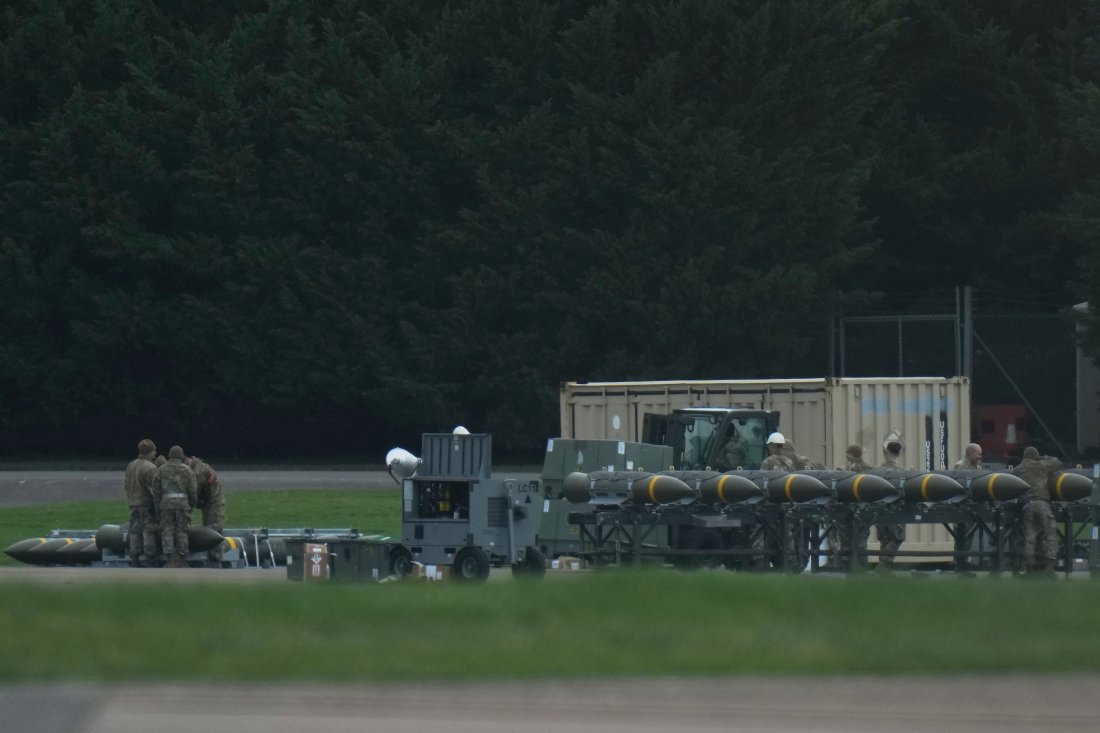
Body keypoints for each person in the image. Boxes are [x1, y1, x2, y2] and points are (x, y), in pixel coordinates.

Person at [1012, 446, 1062, 577]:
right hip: (1042, 504)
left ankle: (1029, 569)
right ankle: (1049, 568)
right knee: (1050, 535)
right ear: (1036, 456)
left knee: (1030, 537)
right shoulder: (1041, 465)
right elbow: (1058, 463)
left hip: (1027, 506)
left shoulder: (1019, 469)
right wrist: (1043, 457)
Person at [152, 445, 198, 568]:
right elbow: (193, 490)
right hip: (182, 505)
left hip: (165, 505)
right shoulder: (187, 470)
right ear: (181, 456)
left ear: (170, 456)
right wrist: (192, 504)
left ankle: (169, 559)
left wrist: (157, 506)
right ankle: (182, 559)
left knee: (167, 530)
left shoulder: (161, 470)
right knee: (182, 531)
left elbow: (156, 491)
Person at [124, 439, 159, 567]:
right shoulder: (151, 467)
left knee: (135, 532)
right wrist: (158, 506)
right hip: (146, 505)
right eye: (154, 451)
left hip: (133, 504)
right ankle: (150, 559)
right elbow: (154, 489)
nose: (155, 454)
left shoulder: (131, 465)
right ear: (150, 451)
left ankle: (134, 558)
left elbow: (126, 485)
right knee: (148, 531)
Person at [875, 435, 906, 573]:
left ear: (886, 452)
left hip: (879, 508)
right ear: (899, 453)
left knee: (885, 538)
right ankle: (885, 563)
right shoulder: (901, 471)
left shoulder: (878, 471)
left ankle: (884, 568)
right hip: (895, 508)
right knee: (898, 537)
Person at [189, 456, 225, 568]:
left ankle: (215, 560)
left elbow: (194, 490)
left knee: (214, 526)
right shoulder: (190, 469)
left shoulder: (197, 471)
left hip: (212, 497)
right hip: (203, 496)